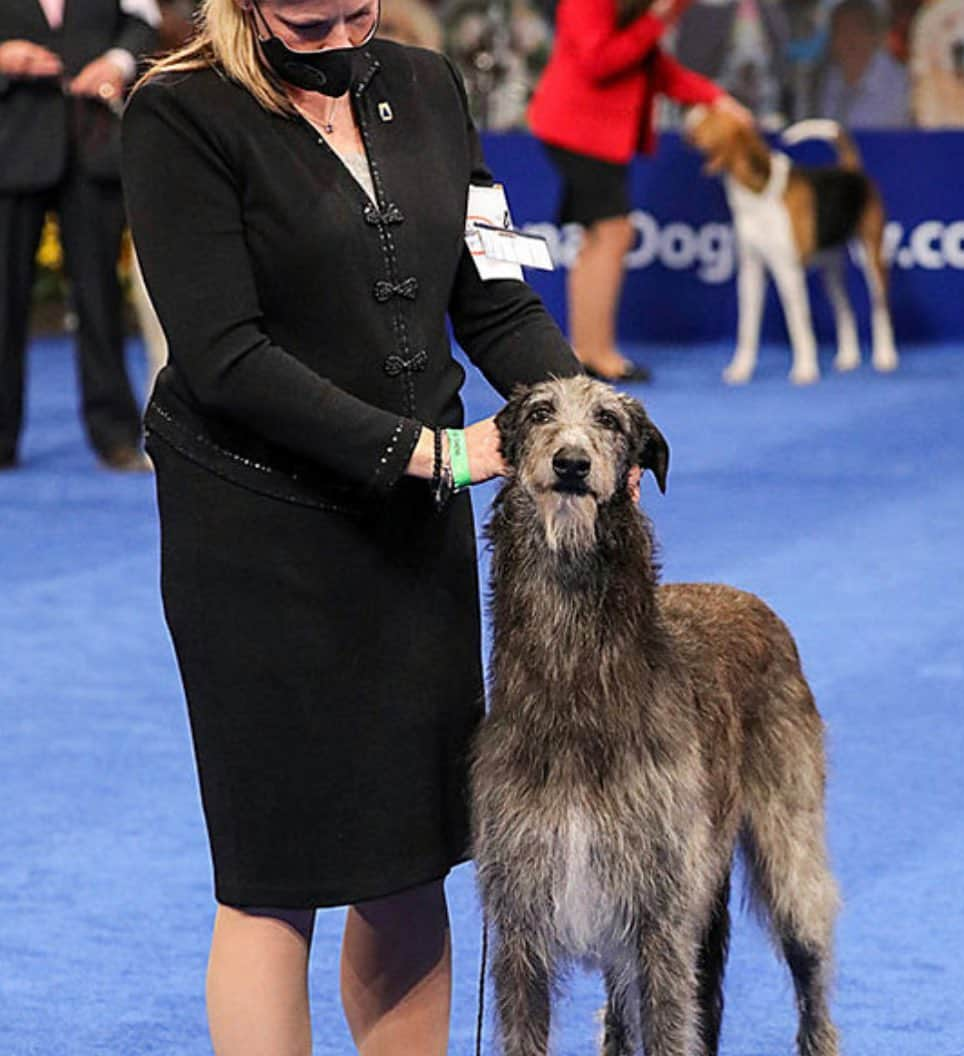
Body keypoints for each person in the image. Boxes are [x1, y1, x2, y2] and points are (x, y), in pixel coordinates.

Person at [121, 0, 581, 1052]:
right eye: (309, 19)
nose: (340, 40)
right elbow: (224, 357)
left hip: (409, 544)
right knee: (271, 881)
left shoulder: (429, 86)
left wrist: (576, 420)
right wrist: (437, 455)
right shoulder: (176, 114)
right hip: (255, 536)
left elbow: (496, 297)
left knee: (409, 862)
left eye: (356, 13)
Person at [528, 0, 752, 382]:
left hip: (598, 134)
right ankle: (597, 354)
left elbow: (656, 69)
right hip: (577, 128)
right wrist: (655, 19)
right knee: (612, 232)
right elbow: (598, 62)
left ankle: (586, 352)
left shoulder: (645, 11)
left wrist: (714, 98)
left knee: (598, 237)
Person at [0, 0, 158, 471]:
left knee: (100, 299)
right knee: (3, 303)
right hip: (10, 147)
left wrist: (116, 62)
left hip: (91, 146)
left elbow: (143, 21)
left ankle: (115, 435)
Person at [816, 0, 911, 127]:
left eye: (859, 28)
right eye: (842, 29)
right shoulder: (822, 80)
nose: (850, 38)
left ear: (876, 34)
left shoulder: (904, 85)